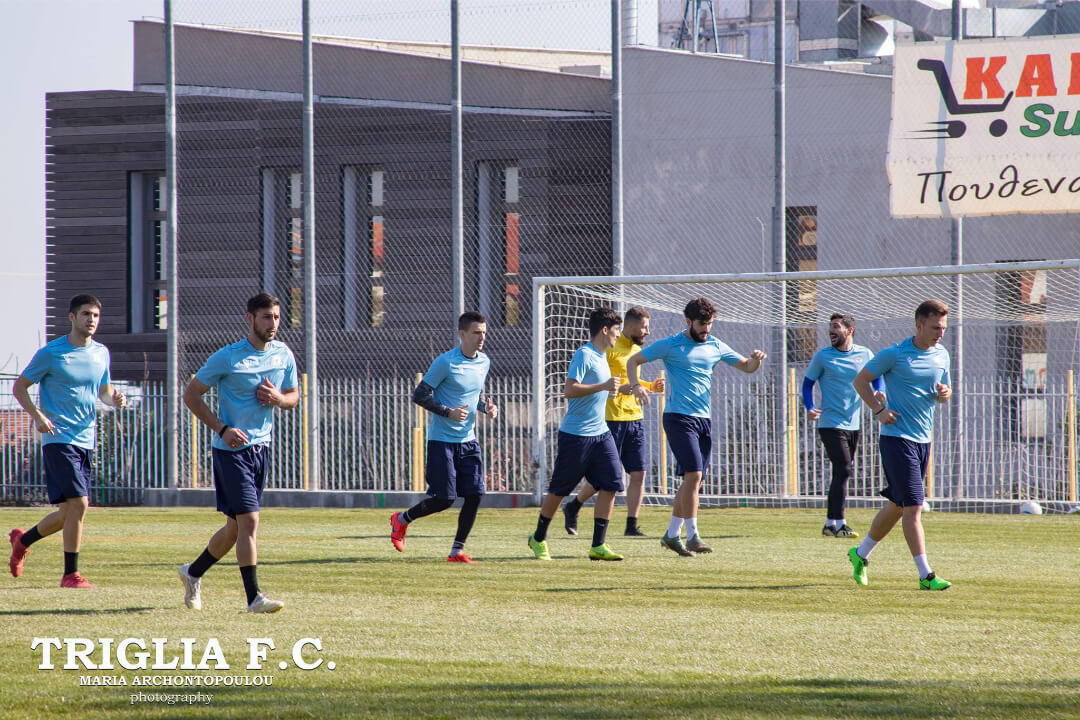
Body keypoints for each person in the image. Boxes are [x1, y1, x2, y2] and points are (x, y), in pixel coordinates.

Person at [178, 293, 298, 613]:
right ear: (249, 319)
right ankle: (254, 598)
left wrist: (279, 399)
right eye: (266, 317)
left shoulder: (283, 354)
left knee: (235, 529)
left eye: (276, 317)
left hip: (261, 449)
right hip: (231, 452)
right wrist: (222, 429)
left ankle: (192, 572)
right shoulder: (228, 357)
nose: (272, 323)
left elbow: (293, 396)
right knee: (250, 522)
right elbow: (191, 395)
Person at [627, 297, 766, 557]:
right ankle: (692, 536)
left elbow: (747, 367)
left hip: (704, 419)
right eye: (702, 324)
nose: (706, 329)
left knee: (694, 480)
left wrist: (756, 360)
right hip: (678, 418)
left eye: (710, 324)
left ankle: (672, 534)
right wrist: (636, 386)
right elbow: (633, 362)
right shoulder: (671, 344)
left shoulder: (716, 345)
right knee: (694, 475)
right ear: (689, 321)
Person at [9, 294, 126, 588]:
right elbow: (20, 387)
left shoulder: (101, 353)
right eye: (86, 314)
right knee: (80, 503)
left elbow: (103, 391)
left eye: (95, 315)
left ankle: (23, 541)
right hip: (57, 437)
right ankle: (70, 575)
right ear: (72, 317)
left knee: (68, 512)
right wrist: (37, 416)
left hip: (86, 439)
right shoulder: (51, 353)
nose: (91, 320)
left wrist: (114, 399)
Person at [847, 299, 953, 591]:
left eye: (943, 328)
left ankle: (860, 554)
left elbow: (944, 390)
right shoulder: (894, 354)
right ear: (919, 325)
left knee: (897, 506)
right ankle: (926, 576)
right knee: (914, 506)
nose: (940, 333)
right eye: (935, 327)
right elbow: (861, 381)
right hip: (897, 440)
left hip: (923, 440)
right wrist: (879, 411)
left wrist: (945, 393)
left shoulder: (942, 354)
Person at [390, 311, 497, 563]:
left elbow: (471, 397)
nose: (482, 337)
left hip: (468, 441)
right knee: (445, 499)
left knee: (475, 495)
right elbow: (419, 395)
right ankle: (401, 519)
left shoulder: (484, 362)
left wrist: (487, 408)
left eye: (484, 332)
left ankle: (456, 551)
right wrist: (448, 413)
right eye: (476, 333)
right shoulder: (445, 362)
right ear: (462, 334)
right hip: (442, 442)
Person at [528, 307, 625, 562]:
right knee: (559, 490)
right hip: (576, 436)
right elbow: (569, 390)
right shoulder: (584, 354)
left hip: (601, 433)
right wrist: (603, 386)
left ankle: (598, 546)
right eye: (616, 330)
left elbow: (598, 391)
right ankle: (538, 537)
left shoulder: (603, 356)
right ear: (604, 330)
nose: (618, 335)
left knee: (612, 484)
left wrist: (617, 390)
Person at [561, 306, 664, 537]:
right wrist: (620, 389)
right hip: (611, 419)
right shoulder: (609, 348)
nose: (647, 332)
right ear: (630, 325)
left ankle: (631, 525)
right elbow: (606, 382)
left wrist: (650, 386)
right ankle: (574, 505)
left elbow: (632, 382)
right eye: (644, 327)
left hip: (634, 417)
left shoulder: (636, 349)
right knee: (604, 476)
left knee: (639, 473)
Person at [802, 313, 883, 538]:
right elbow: (807, 384)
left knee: (841, 472)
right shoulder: (823, 356)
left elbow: (877, 376)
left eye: (836, 326)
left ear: (850, 330)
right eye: (830, 327)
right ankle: (840, 524)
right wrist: (810, 406)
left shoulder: (865, 354)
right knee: (844, 468)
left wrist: (879, 390)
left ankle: (830, 524)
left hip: (853, 423)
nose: (831, 331)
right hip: (830, 422)